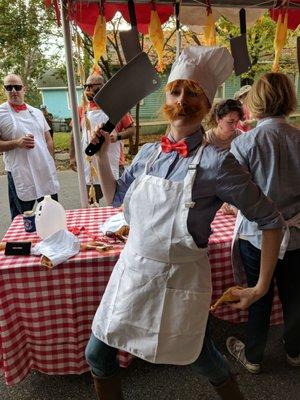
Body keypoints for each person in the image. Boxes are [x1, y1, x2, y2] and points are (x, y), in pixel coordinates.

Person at [86, 46, 284, 400]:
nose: (182, 99)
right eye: (176, 90)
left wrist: (260, 287)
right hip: (132, 272)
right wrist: (101, 156)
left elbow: (271, 220)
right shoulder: (149, 153)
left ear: (206, 104)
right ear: (167, 96)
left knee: (200, 357)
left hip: (180, 278)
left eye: (193, 93)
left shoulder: (217, 163)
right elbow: (115, 196)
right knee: (97, 354)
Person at [227, 72, 300, 374]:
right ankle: (295, 351)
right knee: (296, 295)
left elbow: (234, 197)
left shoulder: (243, 143)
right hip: (297, 234)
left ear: (254, 102)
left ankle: (254, 355)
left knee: (258, 294)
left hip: (256, 236)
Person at [69, 72, 135, 204]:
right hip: (90, 162)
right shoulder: (82, 109)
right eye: (86, 86)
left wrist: (117, 136)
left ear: (103, 87)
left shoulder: (116, 107)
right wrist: (72, 156)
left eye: (91, 86)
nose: (87, 90)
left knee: (119, 200)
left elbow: (132, 129)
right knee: (91, 201)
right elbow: (73, 134)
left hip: (114, 161)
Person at [0, 74, 59, 220]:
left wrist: (51, 161)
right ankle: (22, 243)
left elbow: (48, 139)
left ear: (24, 89)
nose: (14, 91)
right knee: (22, 219)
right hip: (20, 172)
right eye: (9, 87)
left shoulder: (37, 112)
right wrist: (17, 143)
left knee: (50, 215)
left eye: (17, 87)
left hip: (43, 170)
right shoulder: (1, 113)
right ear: (4, 90)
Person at [205, 99, 244, 216]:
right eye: (230, 122)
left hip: (235, 188)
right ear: (218, 120)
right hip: (212, 191)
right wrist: (220, 201)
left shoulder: (241, 137)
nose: (234, 126)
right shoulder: (206, 140)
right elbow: (204, 175)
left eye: (237, 121)